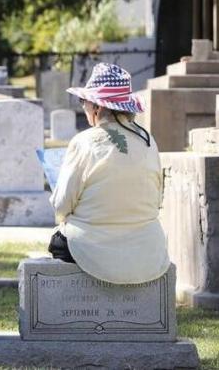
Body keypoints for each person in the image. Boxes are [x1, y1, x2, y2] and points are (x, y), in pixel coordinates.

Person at [49, 62, 170, 284]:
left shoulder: (83, 141)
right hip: (147, 250)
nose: (83, 107)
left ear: (96, 107)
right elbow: (157, 197)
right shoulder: (148, 141)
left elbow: (61, 205)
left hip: (92, 249)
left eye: (83, 102)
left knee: (58, 240)